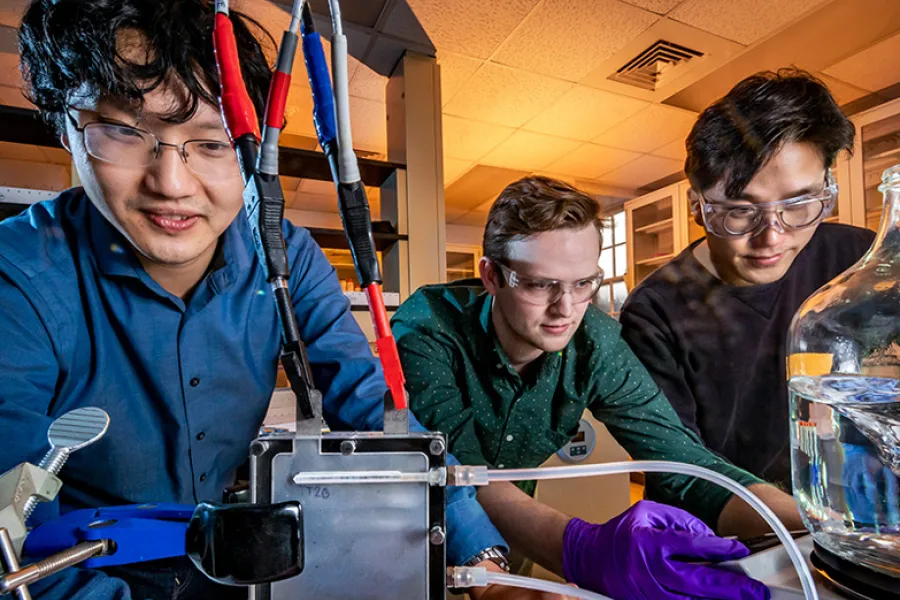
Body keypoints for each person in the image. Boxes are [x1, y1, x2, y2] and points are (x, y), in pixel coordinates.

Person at [1, 1, 548, 599]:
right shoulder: (17, 277)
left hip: (237, 565)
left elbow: (374, 413)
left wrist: (485, 567)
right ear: (66, 129)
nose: (172, 184)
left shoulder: (282, 252)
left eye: (212, 143)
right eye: (124, 133)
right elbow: (18, 540)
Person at [392, 175, 799, 600]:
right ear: (492, 276)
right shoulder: (427, 331)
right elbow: (459, 473)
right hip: (413, 537)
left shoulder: (596, 341)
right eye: (539, 284)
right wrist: (579, 551)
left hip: (518, 535)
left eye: (584, 283)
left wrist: (822, 529)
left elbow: (682, 462)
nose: (565, 310)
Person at [619, 69, 877, 490]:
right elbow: (680, 472)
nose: (772, 237)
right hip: (728, 532)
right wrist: (817, 518)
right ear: (698, 208)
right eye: (740, 210)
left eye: (799, 203)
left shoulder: (856, 260)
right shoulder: (655, 312)